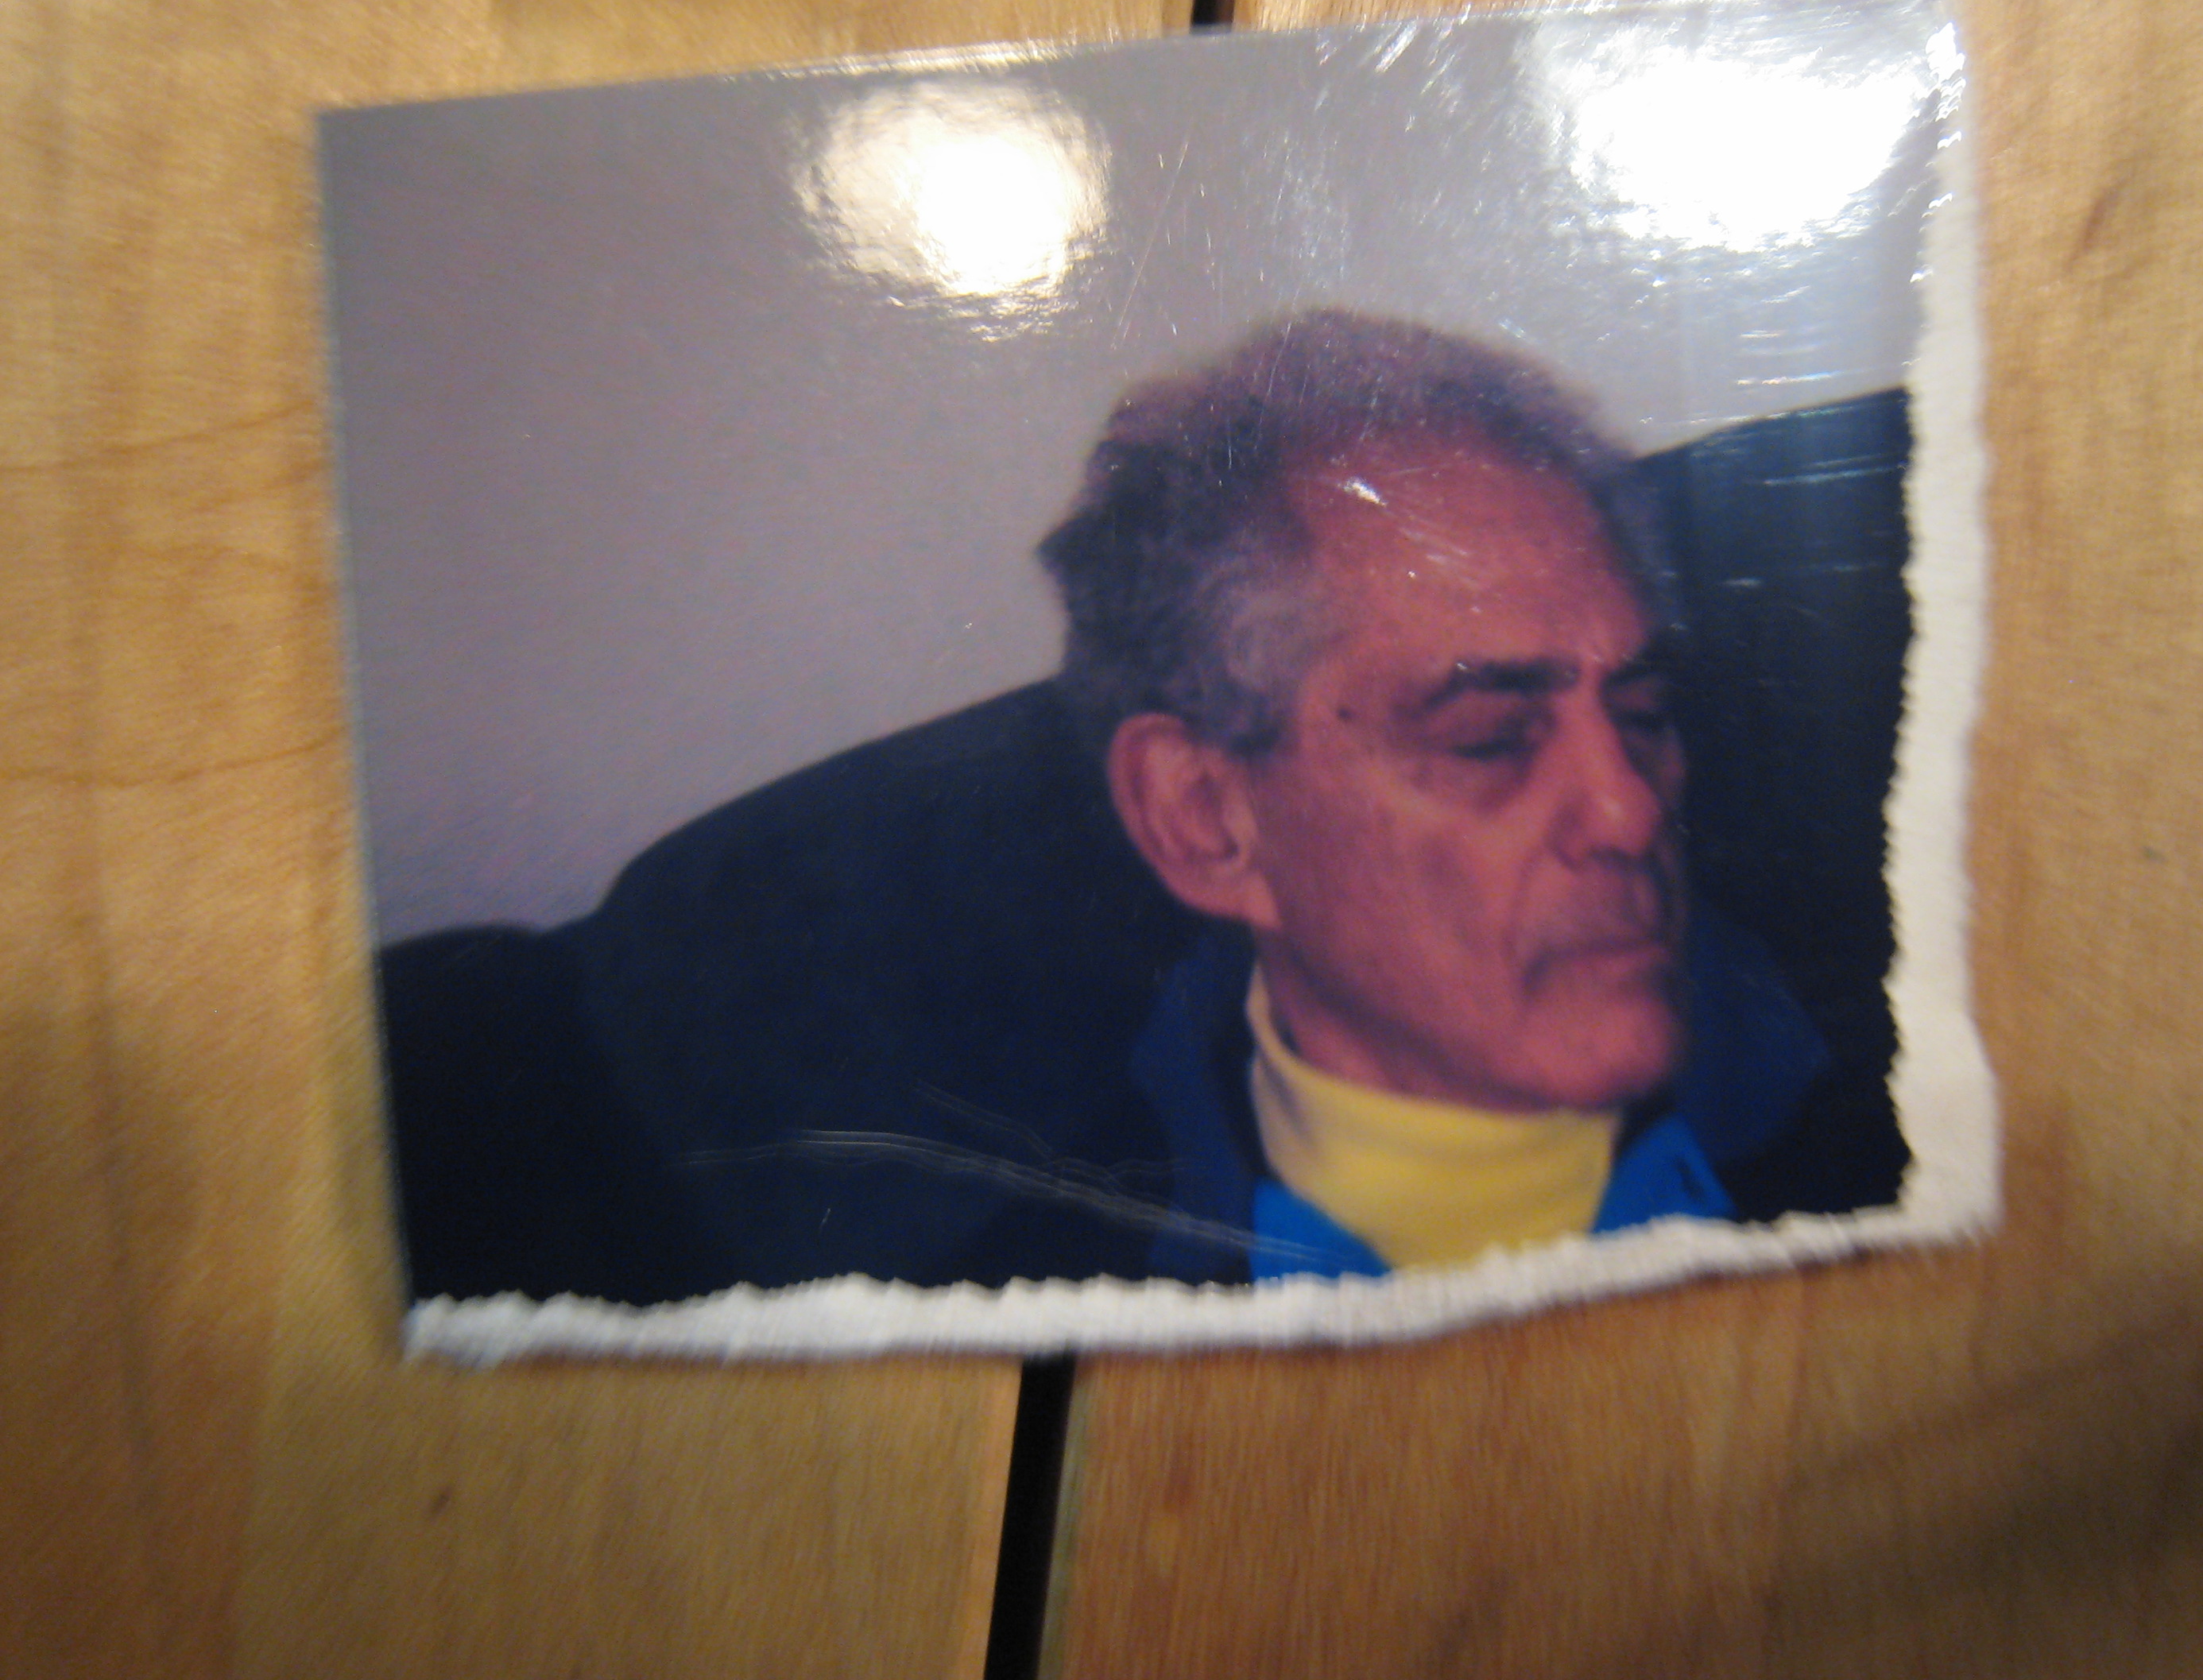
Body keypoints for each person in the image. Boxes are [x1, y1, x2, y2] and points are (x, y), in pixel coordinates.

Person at [378, 311, 1907, 1303]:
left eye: (1642, 714)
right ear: (1204, 822)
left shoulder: (1903, 1090)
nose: (1629, 809)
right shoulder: (1015, 1276)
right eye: (1491, 737)